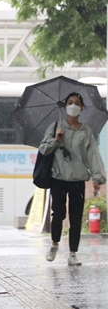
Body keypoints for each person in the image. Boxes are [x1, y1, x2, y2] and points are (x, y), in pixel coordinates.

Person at [39, 92, 106, 266]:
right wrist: (55, 140)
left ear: (81, 108)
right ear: (65, 106)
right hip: (58, 178)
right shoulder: (55, 127)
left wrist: (98, 177)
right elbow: (43, 149)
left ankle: (73, 253)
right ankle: (54, 244)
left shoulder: (86, 131)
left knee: (75, 217)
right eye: (70, 102)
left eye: (77, 103)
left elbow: (93, 154)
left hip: (77, 179)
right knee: (58, 213)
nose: (73, 105)